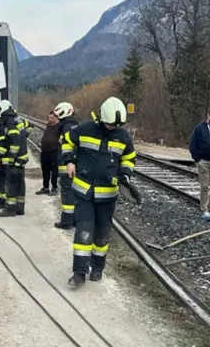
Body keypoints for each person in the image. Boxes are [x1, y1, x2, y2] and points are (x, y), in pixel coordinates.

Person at [61, 97, 136, 286]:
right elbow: (67, 141)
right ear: (103, 117)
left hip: (108, 195)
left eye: (117, 125)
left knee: (102, 234)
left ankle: (97, 268)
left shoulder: (123, 137)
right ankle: (79, 272)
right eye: (111, 124)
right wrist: (69, 161)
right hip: (84, 192)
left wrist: (125, 174)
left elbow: (129, 158)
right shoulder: (84, 129)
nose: (113, 128)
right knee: (84, 232)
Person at [0, 100, 29, 217]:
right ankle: (20, 208)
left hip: (16, 159)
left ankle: (10, 209)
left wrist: (12, 156)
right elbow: (26, 131)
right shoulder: (18, 118)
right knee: (20, 183)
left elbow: (14, 139)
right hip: (23, 157)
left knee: (11, 183)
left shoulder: (9, 122)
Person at [189, 106, 210, 221]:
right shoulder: (199, 128)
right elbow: (192, 143)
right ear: (208, 116)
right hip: (203, 161)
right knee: (205, 187)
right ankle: (204, 210)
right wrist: (197, 159)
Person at [52, 101, 79, 230]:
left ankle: (66, 221)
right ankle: (73, 219)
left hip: (67, 167)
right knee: (74, 194)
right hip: (73, 166)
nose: (57, 118)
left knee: (67, 194)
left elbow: (67, 147)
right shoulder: (74, 126)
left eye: (58, 116)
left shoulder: (67, 128)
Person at [36, 110, 60, 195]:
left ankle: (54, 188)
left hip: (54, 152)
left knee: (54, 171)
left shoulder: (59, 126)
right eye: (49, 117)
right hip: (45, 152)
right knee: (45, 170)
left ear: (57, 117)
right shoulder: (48, 125)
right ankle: (45, 187)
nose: (50, 119)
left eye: (52, 118)